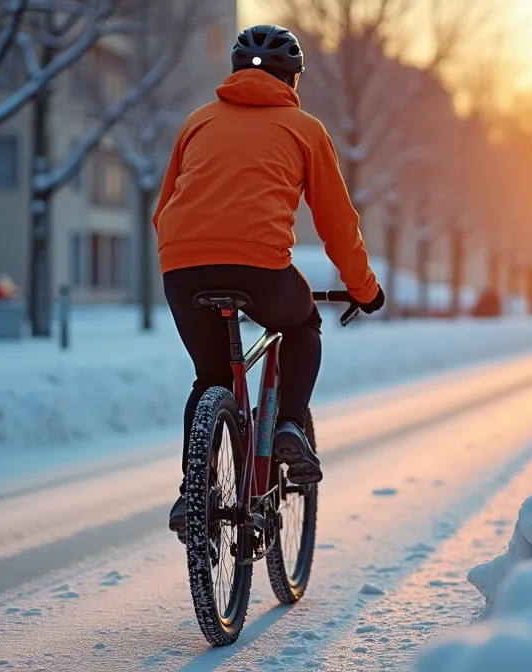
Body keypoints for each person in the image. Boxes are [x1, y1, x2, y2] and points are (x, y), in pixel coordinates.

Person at [153, 24, 385, 539]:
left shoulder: (197, 121)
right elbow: (337, 224)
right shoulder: (305, 128)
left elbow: (164, 206)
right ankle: (288, 424)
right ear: (293, 80)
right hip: (260, 268)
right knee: (301, 324)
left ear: (234, 72)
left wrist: (186, 255)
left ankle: (196, 494)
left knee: (211, 377)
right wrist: (364, 289)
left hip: (183, 266)